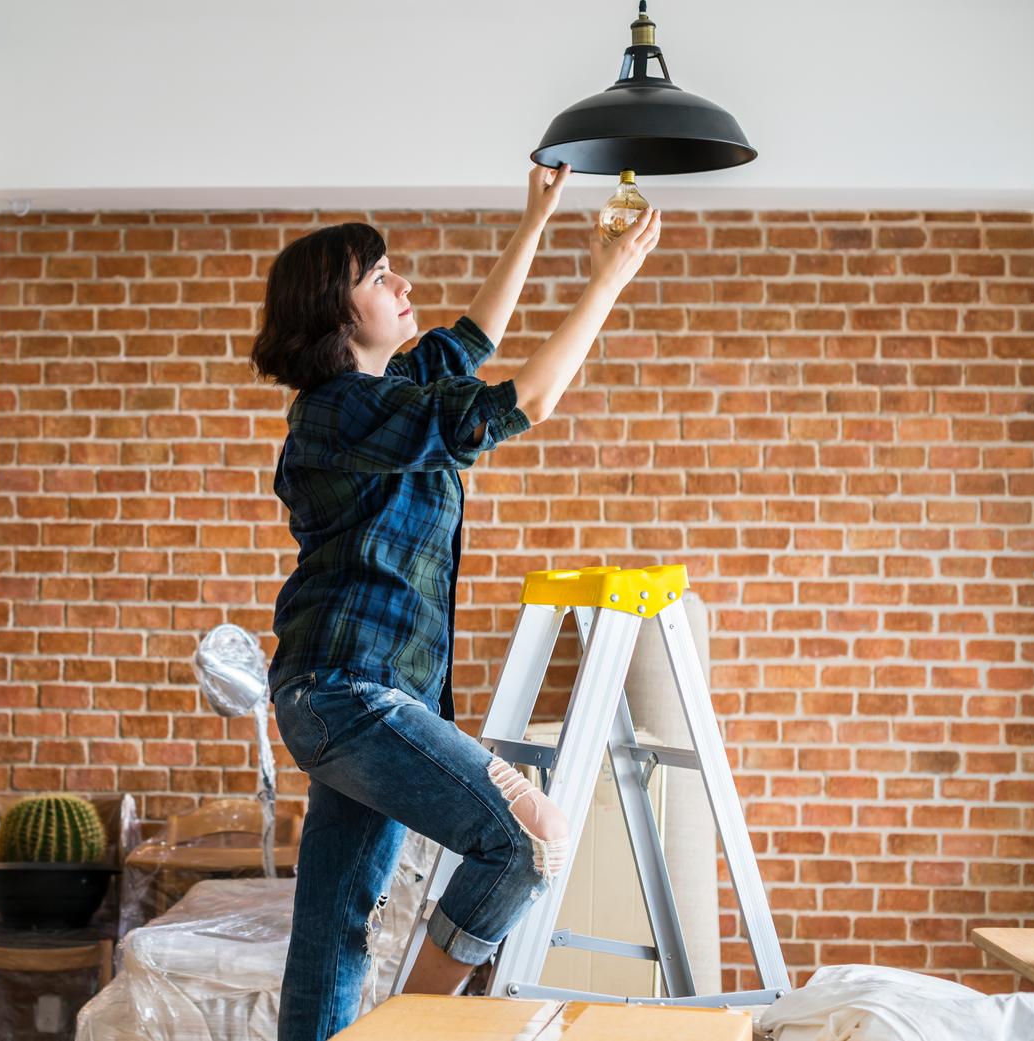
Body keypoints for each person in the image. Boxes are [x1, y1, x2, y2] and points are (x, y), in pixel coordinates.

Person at [250, 164, 662, 1041]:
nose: (403, 283)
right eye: (379, 275)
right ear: (335, 312)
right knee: (525, 837)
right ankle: (418, 1027)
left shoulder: (393, 392)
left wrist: (537, 216)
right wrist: (608, 280)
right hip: (346, 693)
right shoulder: (336, 413)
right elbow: (531, 399)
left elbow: (475, 335)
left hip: (361, 696)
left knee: (333, 932)